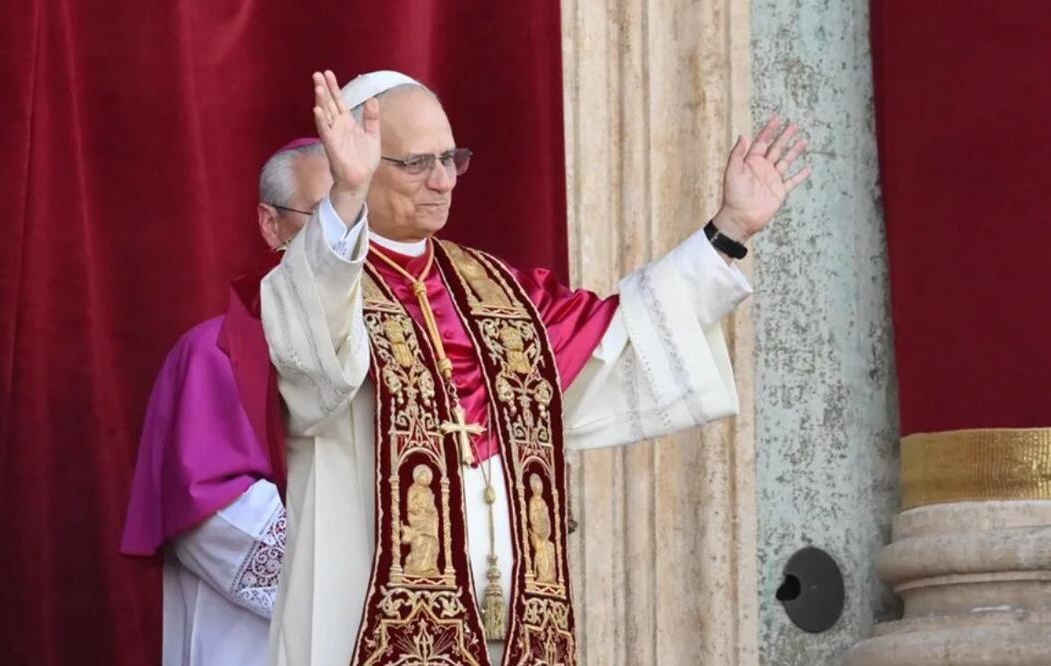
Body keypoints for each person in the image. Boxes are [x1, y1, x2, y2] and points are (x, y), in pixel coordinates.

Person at [264, 69, 811, 666]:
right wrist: (343, 199)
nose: (444, 181)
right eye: (418, 163)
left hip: (515, 624)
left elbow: (621, 335)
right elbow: (313, 360)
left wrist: (728, 231)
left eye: (452, 159)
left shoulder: (501, 293)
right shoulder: (323, 279)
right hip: (365, 624)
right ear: (364, 163)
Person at [120, 138, 333, 666]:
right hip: (251, 643)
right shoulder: (216, 353)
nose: (347, 241)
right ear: (271, 224)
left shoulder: (406, 350)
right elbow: (210, 513)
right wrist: (352, 576)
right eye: (326, 215)